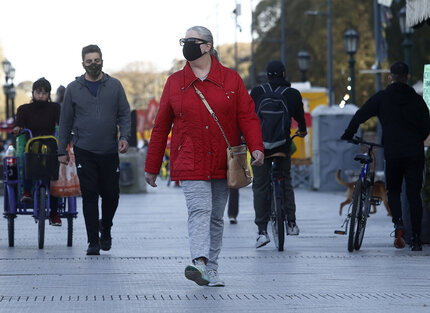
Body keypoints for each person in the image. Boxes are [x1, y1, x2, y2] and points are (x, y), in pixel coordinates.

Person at [144, 26, 264, 287]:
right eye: (184, 40)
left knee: (216, 217)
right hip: (190, 158)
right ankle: (199, 262)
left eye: (192, 41)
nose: (186, 44)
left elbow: (247, 116)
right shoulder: (175, 82)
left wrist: (256, 146)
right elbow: (161, 126)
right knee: (200, 209)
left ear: (208, 46)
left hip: (225, 160)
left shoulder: (231, 79)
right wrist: (152, 166)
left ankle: (212, 268)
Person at [341, 61, 430, 251]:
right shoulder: (417, 100)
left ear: (390, 77)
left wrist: (349, 133)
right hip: (414, 153)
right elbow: (426, 127)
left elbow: (360, 114)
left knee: (394, 191)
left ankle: (398, 225)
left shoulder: (383, 97)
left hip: (393, 152)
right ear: (407, 77)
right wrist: (417, 138)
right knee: (414, 195)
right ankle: (415, 238)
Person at [58, 44, 131, 256]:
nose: (93, 64)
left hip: (109, 150)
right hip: (84, 150)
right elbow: (65, 121)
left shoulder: (115, 86)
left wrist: (124, 137)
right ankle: (93, 242)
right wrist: (61, 149)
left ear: (102, 60)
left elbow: (125, 114)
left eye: (96, 60)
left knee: (112, 195)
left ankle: (105, 228)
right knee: (89, 195)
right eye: (89, 61)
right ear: (83, 63)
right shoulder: (73, 88)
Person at [250, 60, 307, 248]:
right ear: (284, 74)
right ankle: (291, 223)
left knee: (260, 185)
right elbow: (300, 120)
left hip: (260, 148)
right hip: (282, 146)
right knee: (285, 179)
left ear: (267, 76)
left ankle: (262, 231)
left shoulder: (257, 92)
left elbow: (249, 117)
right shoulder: (292, 94)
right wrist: (302, 130)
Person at [12, 77, 62, 226]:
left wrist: (69, 130)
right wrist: (17, 128)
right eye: (38, 92)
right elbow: (19, 123)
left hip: (49, 146)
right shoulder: (24, 109)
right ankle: (27, 191)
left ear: (49, 94)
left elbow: (62, 123)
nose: (41, 95)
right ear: (33, 93)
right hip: (31, 145)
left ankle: (54, 212)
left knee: (54, 173)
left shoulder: (55, 108)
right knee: (25, 158)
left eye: (44, 92)